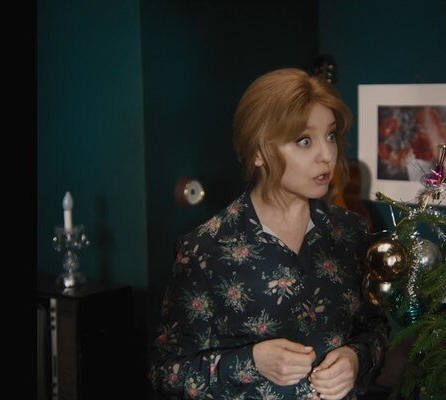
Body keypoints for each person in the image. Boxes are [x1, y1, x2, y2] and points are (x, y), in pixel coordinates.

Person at [149, 68, 389, 400]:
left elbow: (375, 329)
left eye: (331, 136)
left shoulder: (351, 232)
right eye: (305, 141)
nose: (327, 155)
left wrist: (356, 359)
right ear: (259, 151)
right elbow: (167, 375)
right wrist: (252, 362)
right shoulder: (205, 250)